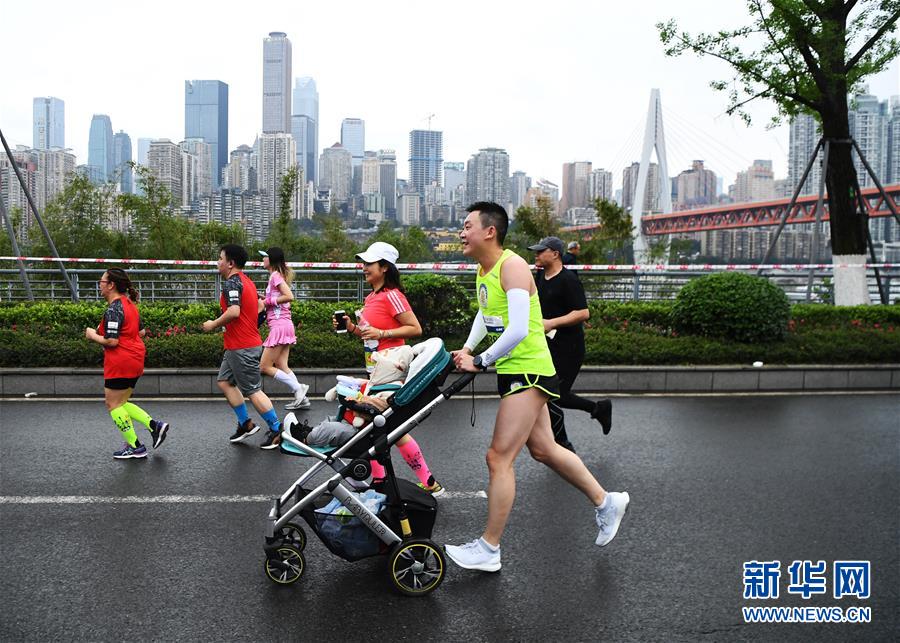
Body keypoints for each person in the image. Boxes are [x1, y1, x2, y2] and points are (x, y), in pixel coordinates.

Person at [445, 202, 629, 572]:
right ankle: (606, 501)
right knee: (545, 449)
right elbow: (487, 313)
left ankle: (489, 548)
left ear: (490, 231)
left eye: (467, 226)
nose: (461, 233)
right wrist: (468, 346)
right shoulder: (485, 270)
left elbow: (516, 328)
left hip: (527, 371)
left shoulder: (511, 265)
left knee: (498, 458)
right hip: (520, 369)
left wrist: (481, 360)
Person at [333, 241, 445, 496]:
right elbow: (369, 335)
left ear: (384, 267)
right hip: (376, 370)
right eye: (363, 263)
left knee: (391, 428)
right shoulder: (372, 297)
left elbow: (415, 328)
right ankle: (381, 483)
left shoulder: (392, 295)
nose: (364, 268)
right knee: (374, 427)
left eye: (369, 264)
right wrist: (351, 327)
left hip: (393, 371)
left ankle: (428, 483)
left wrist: (382, 331)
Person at [529, 236, 612, 452]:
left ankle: (564, 444)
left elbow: (584, 313)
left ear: (555, 254)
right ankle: (595, 411)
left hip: (569, 347)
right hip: (548, 345)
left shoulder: (568, 279)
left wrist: (551, 323)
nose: (536, 255)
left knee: (554, 395)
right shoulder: (540, 275)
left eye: (540, 251)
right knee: (552, 394)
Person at [202, 244, 283, 450]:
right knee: (224, 381)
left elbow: (234, 311)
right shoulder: (246, 281)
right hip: (238, 345)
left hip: (242, 346)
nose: (218, 262)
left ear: (230, 263)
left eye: (220, 258)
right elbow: (258, 307)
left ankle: (277, 430)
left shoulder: (231, 284)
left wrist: (212, 324)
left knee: (253, 390)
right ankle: (245, 424)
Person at [84, 268, 170, 459]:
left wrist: (92, 335)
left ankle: (136, 446)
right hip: (135, 359)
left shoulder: (114, 308)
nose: (100, 284)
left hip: (121, 360)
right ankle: (154, 426)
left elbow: (112, 341)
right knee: (121, 402)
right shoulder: (129, 304)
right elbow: (141, 332)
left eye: (102, 281)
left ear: (111, 285)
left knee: (112, 405)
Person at [257, 247, 311, 411]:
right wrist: (264, 298)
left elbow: (289, 296)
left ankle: (298, 388)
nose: (262, 260)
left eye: (265, 257)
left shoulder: (275, 275)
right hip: (285, 324)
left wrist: (266, 302)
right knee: (281, 364)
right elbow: (278, 298)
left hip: (280, 326)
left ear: (271, 260)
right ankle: (302, 399)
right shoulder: (275, 276)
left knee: (264, 367)